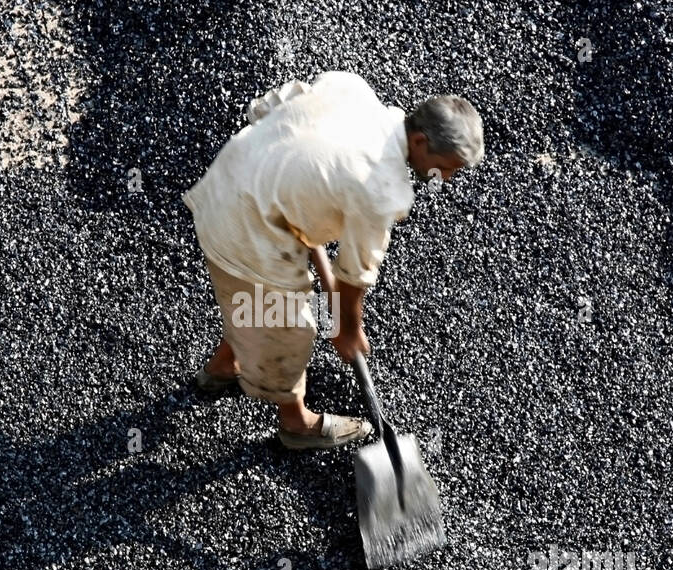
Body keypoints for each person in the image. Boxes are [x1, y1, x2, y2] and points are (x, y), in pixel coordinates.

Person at [182, 71, 483, 449]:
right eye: (449, 167)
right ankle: (296, 424)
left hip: (228, 179)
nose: (448, 178)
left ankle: (223, 367)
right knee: (289, 331)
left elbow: (266, 108)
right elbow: (354, 275)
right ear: (421, 142)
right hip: (245, 231)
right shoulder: (383, 189)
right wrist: (347, 329)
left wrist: (294, 189)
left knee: (251, 307)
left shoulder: (351, 88)